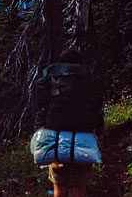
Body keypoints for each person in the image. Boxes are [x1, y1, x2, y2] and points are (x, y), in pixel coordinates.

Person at [35, 48, 104, 197]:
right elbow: (97, 104)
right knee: (79, 186)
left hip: (56, 137)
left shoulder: (51, 73)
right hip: (83, 136)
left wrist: (43, 123)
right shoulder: (89, 74)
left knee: (59, 186)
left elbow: (40, 103)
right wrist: (97, 130)